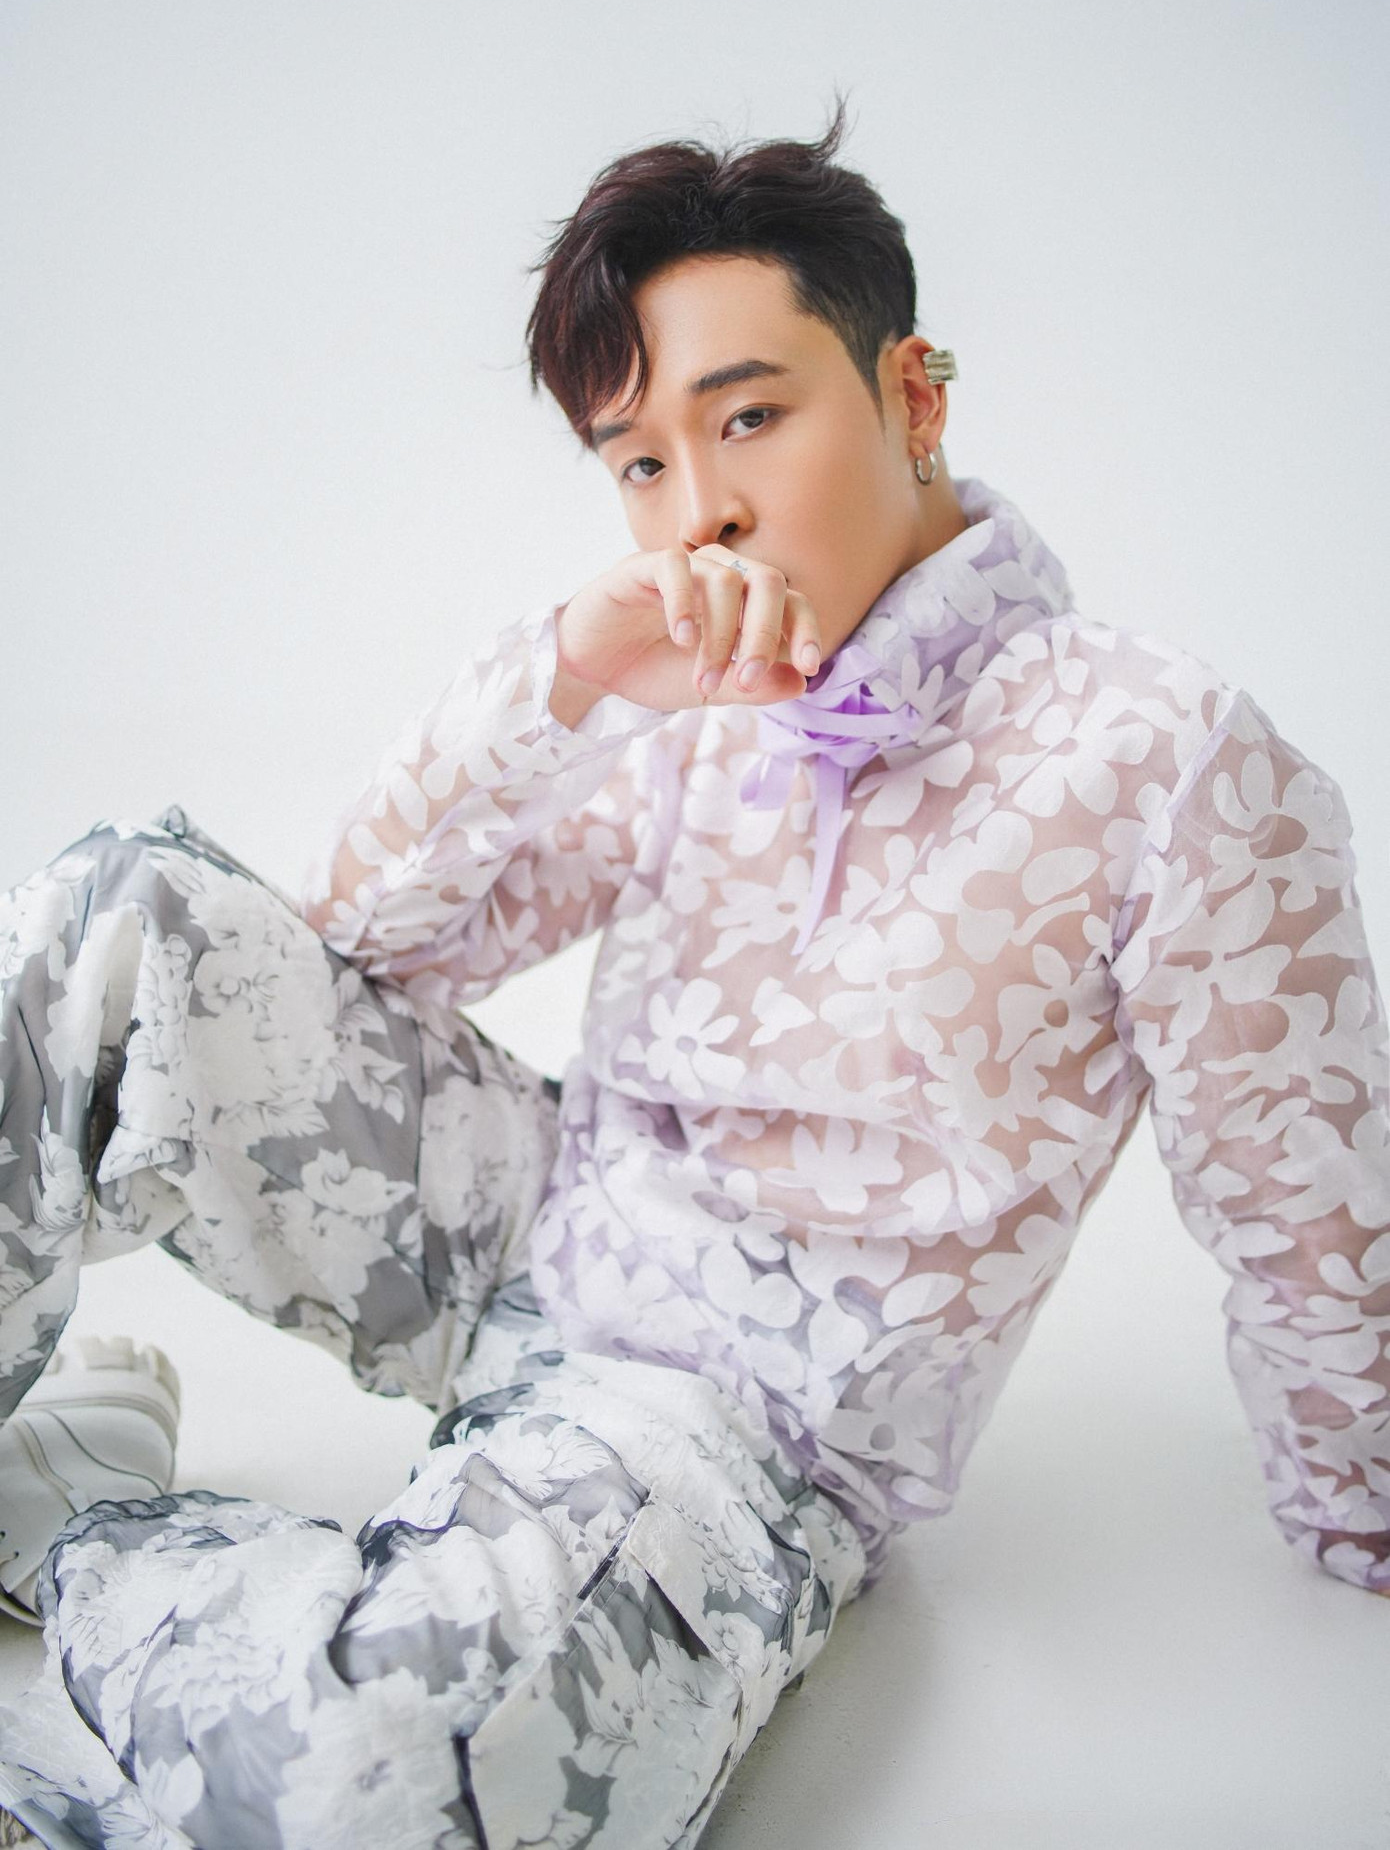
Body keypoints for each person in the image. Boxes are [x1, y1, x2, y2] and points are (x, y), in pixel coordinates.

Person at [1, 99, 1386, 1848]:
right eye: (640, 463)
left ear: (913, 396)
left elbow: (1304, 1207)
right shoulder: (683, 682)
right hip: (528, 1218)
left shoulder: (1165, 756)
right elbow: (350, 956)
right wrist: (565, 679)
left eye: (747, 418)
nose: (701, 511)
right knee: (119, 911)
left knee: (372, 1786)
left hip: (734, 1431)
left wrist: (1359, 1509)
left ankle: (88, 1521)